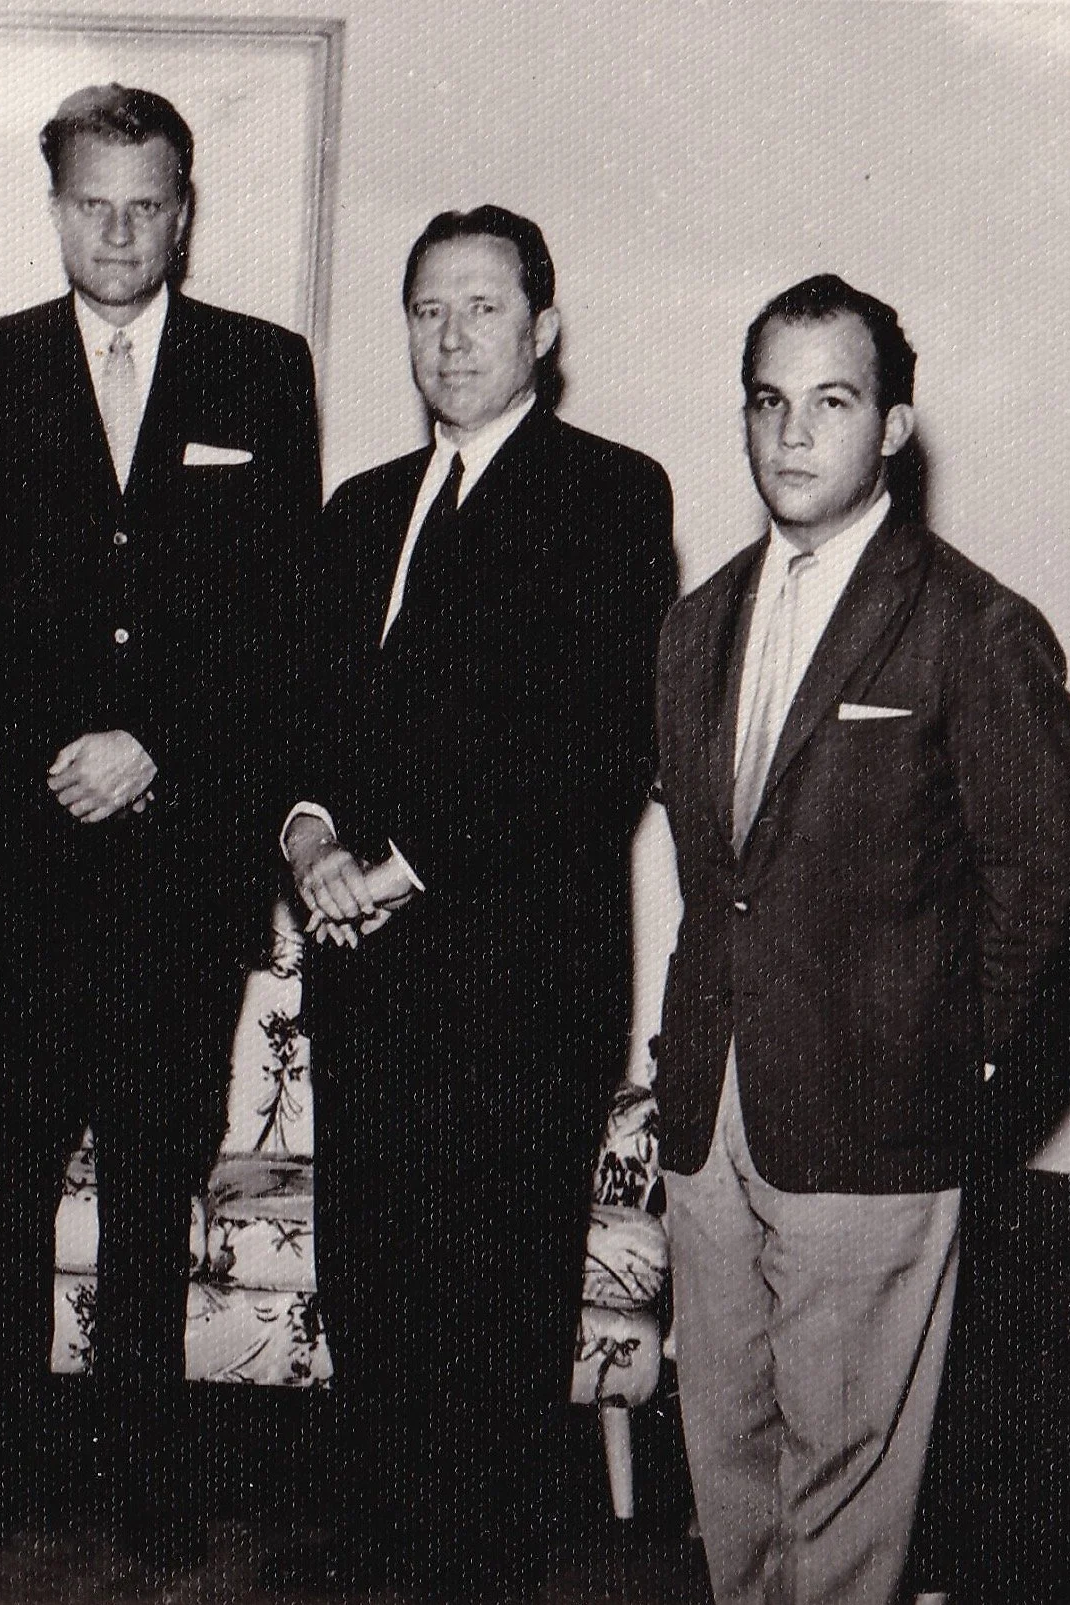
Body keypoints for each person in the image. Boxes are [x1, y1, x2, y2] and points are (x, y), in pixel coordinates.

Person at [0, 83, 321, 1568]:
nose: (122, 230)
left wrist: (156, 749)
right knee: (6, 1186)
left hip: (180, 869)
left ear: (185, 210)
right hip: (19, 859)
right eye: (95, 202)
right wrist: (57, 754)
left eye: (148, 203)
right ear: (56, 206)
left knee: (155, 1188)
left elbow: (282, 620)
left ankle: (145, 1485)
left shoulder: (263, 370)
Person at [652, 275, 1070, 1605]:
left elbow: (1050, 883)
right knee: (726, 1469)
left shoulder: (972, 626)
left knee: (844, 1500)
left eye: (830, 402)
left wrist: (954, 1066)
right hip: (710, 1113)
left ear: (893, 426)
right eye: (768, 402)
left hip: (874, 1117)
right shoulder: (694, 624)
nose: (791, 434)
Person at [275, 206, 678, 1597]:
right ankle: (380, 1556)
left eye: (482, 308)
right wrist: (310, 833)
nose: (449, 338)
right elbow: (305, 720)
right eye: (426, 310)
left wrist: (396, 866)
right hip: (365, 971)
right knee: (372, 1287)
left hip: (517, 979)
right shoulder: (356, 508)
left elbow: (588, 749)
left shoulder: (611, 496)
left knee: (496, 1312)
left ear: (543, 331)